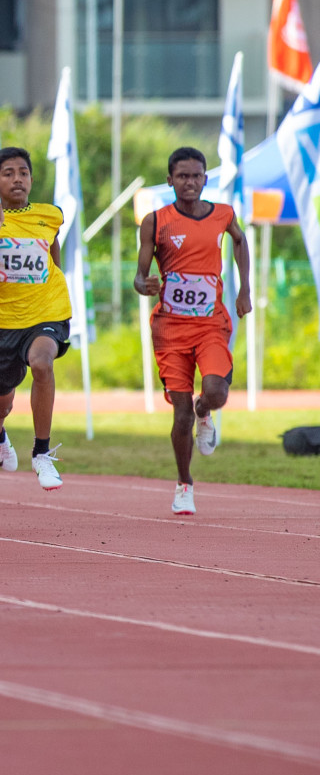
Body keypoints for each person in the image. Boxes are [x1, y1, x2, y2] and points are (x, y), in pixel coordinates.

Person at [134, 146, 252, 515]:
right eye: (182, 176)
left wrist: (244, 288)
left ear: (205, 178)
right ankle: (184, 483)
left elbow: (240, 240)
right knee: (179, 414)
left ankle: (207, 410)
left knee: (217, 391)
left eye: (197, 175)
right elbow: (139, 275)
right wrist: (145, 283)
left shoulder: (223, 214)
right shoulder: (156, 221)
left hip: (210, 323)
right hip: (170, 328)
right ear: (170, 180)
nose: (190, 182)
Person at [0, 147, 72, 490]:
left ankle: (42, 454)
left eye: (24, 172)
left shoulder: (51, 215)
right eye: (9, 173)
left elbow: (53, 261)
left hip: (46, 311)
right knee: (2, 404)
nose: (18, 179)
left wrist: (51, 291)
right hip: (0, 323)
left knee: (42, 364)